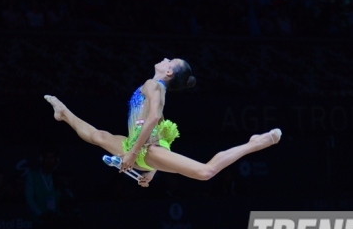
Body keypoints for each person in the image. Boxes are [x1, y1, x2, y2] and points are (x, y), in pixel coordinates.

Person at [44, 58, 281, 187]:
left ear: (168, 72)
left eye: (170, 61)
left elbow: (155, 118)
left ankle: (254, 143)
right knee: (99, 137)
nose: (165, 59)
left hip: (143, 148)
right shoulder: (156, 87)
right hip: (141, 146)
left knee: (205, 171)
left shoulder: (153, 84)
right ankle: (63, 112)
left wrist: (134, 154)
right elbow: (158, 125)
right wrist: (153, 169)